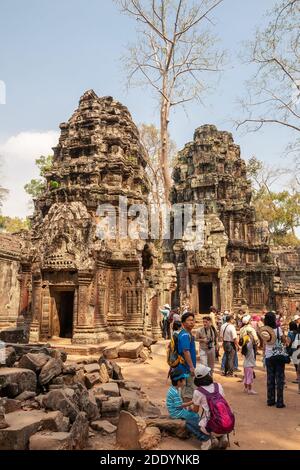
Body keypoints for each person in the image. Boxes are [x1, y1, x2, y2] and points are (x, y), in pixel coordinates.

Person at [166, 367, 211, 450]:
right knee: (194, 417)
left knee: (194, 415)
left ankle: (199, 430)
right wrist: (192, 402)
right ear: (179, 381)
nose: (185, 382)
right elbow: (179, 405)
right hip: (176, 412)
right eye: (183, 380)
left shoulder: (175, 389)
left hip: (177, 410)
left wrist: (188, 407)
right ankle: (203, 437)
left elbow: (180, 404)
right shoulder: (174, 392)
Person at [191, 364, 233, 450]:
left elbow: (195, 411)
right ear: (208, 375)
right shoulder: (218, 386)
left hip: (212, 427)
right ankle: (223, 437)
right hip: (227, 424)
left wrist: (189, 407)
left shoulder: (198, 392)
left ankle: (208, 441)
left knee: (190, 422)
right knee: (218, 417)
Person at [261, 311, 287, 408]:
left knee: (270, 379)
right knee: (279, 379)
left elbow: (264, 344)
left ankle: (270, 400)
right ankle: (280, 402)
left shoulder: (264, 330)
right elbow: (284, 340)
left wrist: (264, 354)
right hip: (278, 356)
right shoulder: (278, 330)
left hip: (269, 356)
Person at [176, 312, 197, 399]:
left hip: (184, 367)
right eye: (189, 320)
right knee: (188, 391)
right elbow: (186, 351)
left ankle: (185, 410)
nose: (191, 322)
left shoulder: (187, 333)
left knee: (185, 391)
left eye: (193, 320)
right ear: (183, 323)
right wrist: (191, 367)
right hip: (185, 368)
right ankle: (186, 411)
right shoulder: (185, 335)